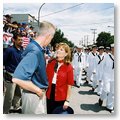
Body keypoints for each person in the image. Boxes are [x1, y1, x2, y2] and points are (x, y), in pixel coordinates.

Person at [12, 21, 56, 114]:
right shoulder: (35, 51)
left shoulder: (34, 47)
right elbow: (17, 78)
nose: (50, 40)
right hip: (33, 95)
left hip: (33, 94)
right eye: (51, 38)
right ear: (48, 36)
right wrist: (38, 91)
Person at [46, 43, 74, 114]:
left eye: (61, 49)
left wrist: (67, 101)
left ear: (66, 54)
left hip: (61, 97)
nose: (58, 50)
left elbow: (69, 85)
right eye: (57, 49)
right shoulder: (50, 63)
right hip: (49, 94)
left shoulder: (69, 67)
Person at [3, 33, 23, 114]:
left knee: (18, 94)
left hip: (19, 76)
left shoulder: (22, 50)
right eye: (19, 40)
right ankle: (5, 112)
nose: (21, 41)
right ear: (14, 40)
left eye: (21, 40)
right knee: (9, 96)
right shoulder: (9, 50)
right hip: (10, 75)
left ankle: (16, 108)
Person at [98, 44, 114, 113]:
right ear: (112, 49)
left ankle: (109, 106)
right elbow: (101, 67)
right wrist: (100, 77)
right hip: (106, 76)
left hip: (114, 77)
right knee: (106, 90)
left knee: (112, 92)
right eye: (113, 48)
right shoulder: (107, 56)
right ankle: (101, 98)